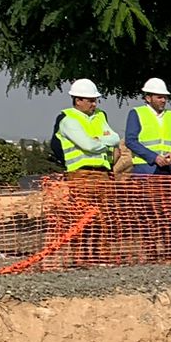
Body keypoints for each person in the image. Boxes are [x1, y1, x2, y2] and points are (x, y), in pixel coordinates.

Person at [56, 80, 121, 264]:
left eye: (95, 100)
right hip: (81, 175)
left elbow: (115, 138)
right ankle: (81, 256)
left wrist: (97, 140)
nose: (94, 104)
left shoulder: (100, 117)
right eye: (90, 100)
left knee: (103, 217)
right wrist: (102, 141)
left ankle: (99, 254)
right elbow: (87, 145)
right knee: (82, 218)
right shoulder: (69, 120)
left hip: (102, 174)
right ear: (78, 100)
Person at [125, 77, 171, 258]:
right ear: (148, 97)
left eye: (165, 97)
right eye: (159, 97)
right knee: (147, 212)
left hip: (169, 171)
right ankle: (150, 249)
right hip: (146, 171)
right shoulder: (137, 113)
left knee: (170, 212)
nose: (163, 100)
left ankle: (169, 248)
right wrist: (153, 157)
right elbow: (131, 141)